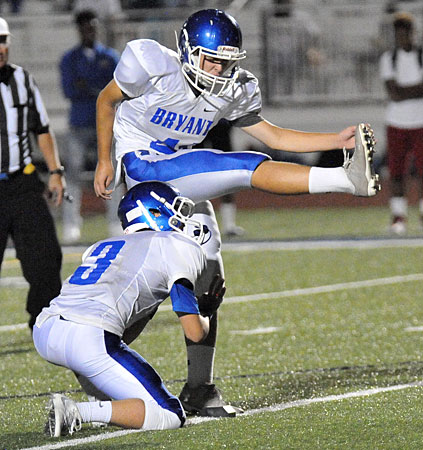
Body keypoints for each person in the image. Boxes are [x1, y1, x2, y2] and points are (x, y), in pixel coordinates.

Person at [94, 8, 380, 417]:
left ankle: (198, 388)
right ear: (188, 50)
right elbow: (107, 100)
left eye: (227, 61)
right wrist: (105, 161)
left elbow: (273, 133)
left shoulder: (233, 87)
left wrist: (335, 137)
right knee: (241, 165)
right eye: (211, 59)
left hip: (181, 175)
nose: (220, 69)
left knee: (208, 282)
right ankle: (344, 181)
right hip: (143, 171)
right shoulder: (152, 63)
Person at [33, 181, 226, 437]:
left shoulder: (103, 245)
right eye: (177, 211)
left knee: (108, 358)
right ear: (154, 212)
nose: (182, 219)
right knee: (170, 414)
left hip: (46, 331)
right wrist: (207, 311)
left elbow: (125, 335)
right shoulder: (176, 245)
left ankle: (100, 401)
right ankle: (77, 412)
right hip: (88, 337)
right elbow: (194, 332)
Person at [0, 17, 65, 330]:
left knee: (46, 258)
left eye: (2, 40)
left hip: (22, 181)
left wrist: (55, 171)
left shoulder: (22, 79)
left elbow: (41, 127)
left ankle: (43, 319)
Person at [59, 9, 121, 243]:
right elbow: (69, 90)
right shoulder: (69, 59)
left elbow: (117, 90)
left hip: (106, 124)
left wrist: (88, 86)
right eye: (85, 27)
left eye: (92, 26)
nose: (89, 31)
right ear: (79, 29)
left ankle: (115, 221)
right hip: (80, 123)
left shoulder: (111, 56)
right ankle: (71, 224)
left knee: (112, 173)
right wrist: (99, 90)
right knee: (72, 176)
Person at [379, 12, 423, 235]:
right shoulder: (389, 58)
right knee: (397, 172)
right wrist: (415, 90)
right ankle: (398, 216)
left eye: (405, 34)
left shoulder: (420, 56)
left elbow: (398, 91)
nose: (401, 39)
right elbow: (393, 94)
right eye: (397, 35)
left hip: (420, 122)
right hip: (396, 122)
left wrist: (403, 91)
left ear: (412, 34)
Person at [196, 119, 244, 237]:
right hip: (198, 124)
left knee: (226, 177)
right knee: (196, 177)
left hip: (217, 124)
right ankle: (197, 224)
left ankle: (229, 225)